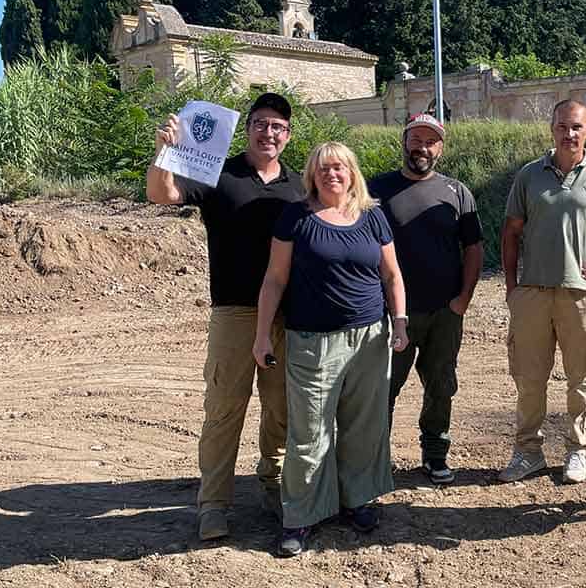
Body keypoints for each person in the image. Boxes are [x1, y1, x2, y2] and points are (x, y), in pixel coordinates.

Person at [147, 93, 302, 542]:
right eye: (260, 123)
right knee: (223, 409)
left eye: (277, 126)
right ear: (248, 127)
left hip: (287, 318)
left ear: (287, 135)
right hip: (235, 312)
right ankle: (213, 503)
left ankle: (272, 486)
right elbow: (163, 194)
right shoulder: (218, 172)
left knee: (282, 409)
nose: (268, 132)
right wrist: (164, 153)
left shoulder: (298, 185)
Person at [253, 141, 408, 557]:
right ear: (312, 175)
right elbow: (274, 279)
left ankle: (356, 501)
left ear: (352, 172)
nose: (331, 174)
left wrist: (400, 322)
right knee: (309, 433)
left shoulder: (373, 217)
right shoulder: (296, 217)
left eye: (339, 167)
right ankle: (300, 517)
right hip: (312, 342)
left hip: (370, 339)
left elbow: (392, 275)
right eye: (323, 169)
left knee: (363, 425)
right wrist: (262, 334)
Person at [499, 99, 586, 485]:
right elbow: (510, 233)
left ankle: (577, 450)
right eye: (562, 126)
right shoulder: (529, 176)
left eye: (576, 127)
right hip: (533, 295)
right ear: (552, 129)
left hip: (582, 294)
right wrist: (512, 288)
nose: (569, 134)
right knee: (529, 379)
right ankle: (528, 453)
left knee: (581, 379)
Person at [368, 113, 484, 485]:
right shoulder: (375, 191)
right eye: (415, 139)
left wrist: (463, 299)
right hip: (391, 314)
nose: (422, 146)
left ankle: (435, 455)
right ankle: (373, 460)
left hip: (444, 311)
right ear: (403, 142)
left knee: (441, 386)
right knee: (382, 386)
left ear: (441, 148)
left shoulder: (457, 192)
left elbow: (474, 248)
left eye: (430, 141)